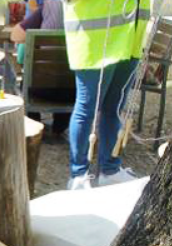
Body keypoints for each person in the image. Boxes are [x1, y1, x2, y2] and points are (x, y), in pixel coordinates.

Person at [64, 0, 150, 190]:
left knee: (115, 108)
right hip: (94, 42)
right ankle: (78, 175)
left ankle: (110, 171)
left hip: (130, 39)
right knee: (87, 108)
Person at [10, 0, 70, 135]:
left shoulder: (47, 8)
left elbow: (15, 35)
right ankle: (59, 127)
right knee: (67, 74)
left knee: (27, 80)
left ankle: (35, 125)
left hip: (40, 88)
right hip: (74, 91)